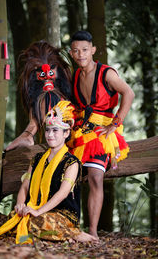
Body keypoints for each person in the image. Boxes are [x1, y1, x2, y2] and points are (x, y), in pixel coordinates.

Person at [0, 101, 97, 244]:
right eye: (48, 130)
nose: (50, 135)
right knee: (15, 218)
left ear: (66, 133)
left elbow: (62, 193)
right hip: (36, 209)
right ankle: (59, 235)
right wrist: (20, 204)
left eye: (55, 130)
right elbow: (25, 186)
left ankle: (74, 233)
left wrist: (38, 211)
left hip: (62, 215)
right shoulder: (37, 158)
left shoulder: (72, 162)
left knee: (37, 221)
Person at [67, 30, 135, 240]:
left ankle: (93, 232)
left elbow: (129, 93)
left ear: (93, 50)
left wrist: (116, 123)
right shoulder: (75, 74)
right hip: (80, 131)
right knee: (67, 175)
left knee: (96, 177)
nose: (81, 55)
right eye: (76, 51)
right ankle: (68, 226)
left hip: (102, 131)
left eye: (85, 50)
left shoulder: (106, 73)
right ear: (71, 53)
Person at [6, 41, 72, 151]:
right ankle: (28, 136)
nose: (47, 80)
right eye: (42, 75)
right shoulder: (38, 99)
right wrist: (28, 134)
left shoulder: (67, 92)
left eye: (51, 74)